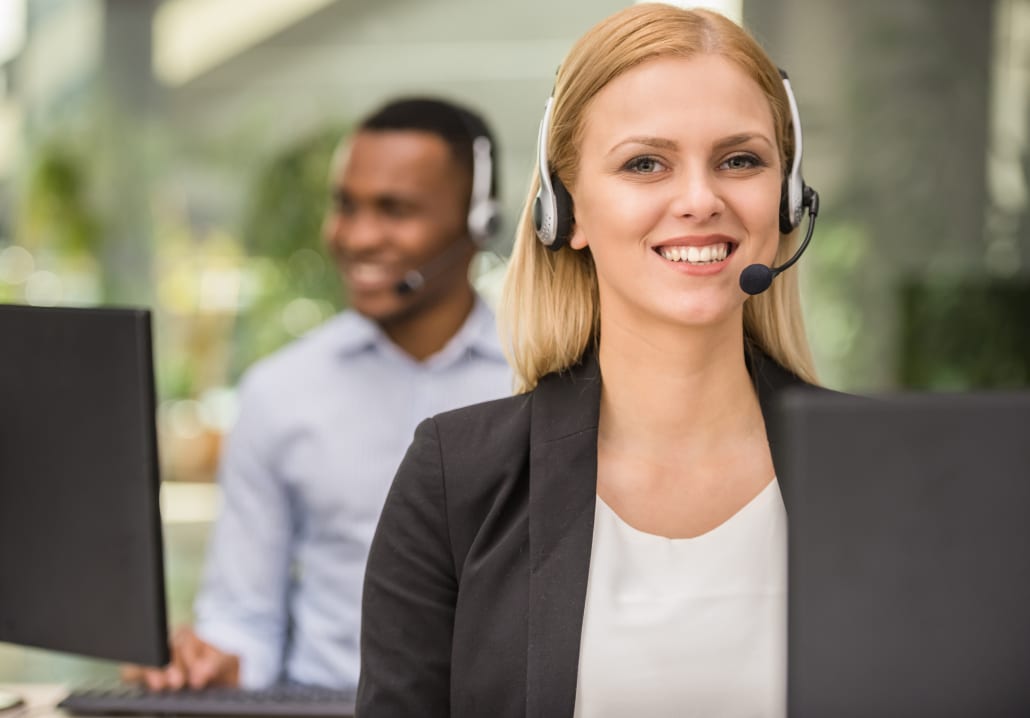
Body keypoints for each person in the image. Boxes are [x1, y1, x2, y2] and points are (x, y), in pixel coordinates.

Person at [357, 5, 834, 717]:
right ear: (564, 209)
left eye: (740, 160)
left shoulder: (889, 470)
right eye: (646, 163)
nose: (700, 200)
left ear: (788, 197)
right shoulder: (457, 479)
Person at [126, 97, 512, 693]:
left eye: (395, 210)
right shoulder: (279, 391)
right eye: (345, 206)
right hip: (325, 704)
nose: (356, 236)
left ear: (479, 222)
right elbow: (243, 618)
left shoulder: (543, 381)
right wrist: (212, 662)